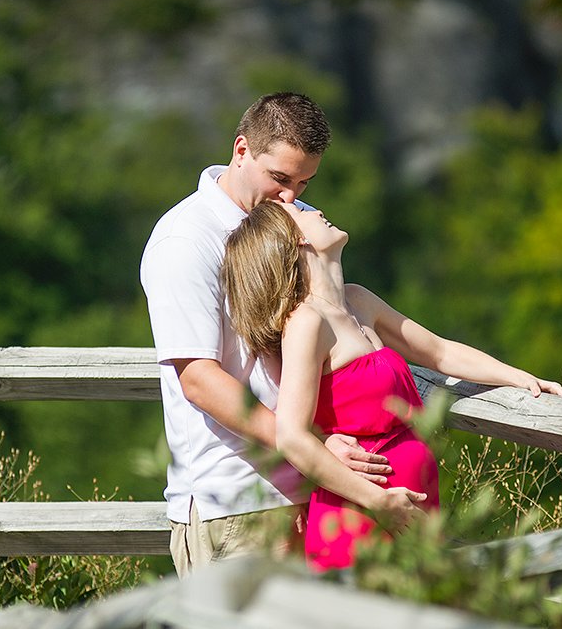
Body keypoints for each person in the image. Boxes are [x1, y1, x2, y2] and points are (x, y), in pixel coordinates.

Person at [221, 201, 562, 570]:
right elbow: (291, 436)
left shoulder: (357, 301)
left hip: (410, 513)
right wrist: (379, 501)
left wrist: (519, 377)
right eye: (301, 213)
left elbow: (438, 351)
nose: (316, 210)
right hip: (360, 516)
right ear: (296, 239)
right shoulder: (307, 322)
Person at [140, 92, 392, 577]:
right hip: (237, 500)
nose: (291, 196)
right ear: (241, 150)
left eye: (303, 182)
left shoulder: (291, 218)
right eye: (280, 178)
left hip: (313, 489)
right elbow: (199, 378)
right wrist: (313, 443)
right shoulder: (186, 240)